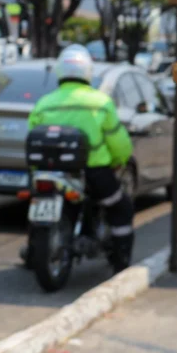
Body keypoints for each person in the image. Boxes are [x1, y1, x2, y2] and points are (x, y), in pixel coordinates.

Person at [28, 44, 135, 270]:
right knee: (122, 209)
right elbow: (119, 144)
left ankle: (32, 253)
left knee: (37, 205)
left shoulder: (43, 104)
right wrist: (120, 161)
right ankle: (121, 262)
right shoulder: (101, 103)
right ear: (87, 71)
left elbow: (32, 137)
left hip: (50, 172)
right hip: (93, 173)